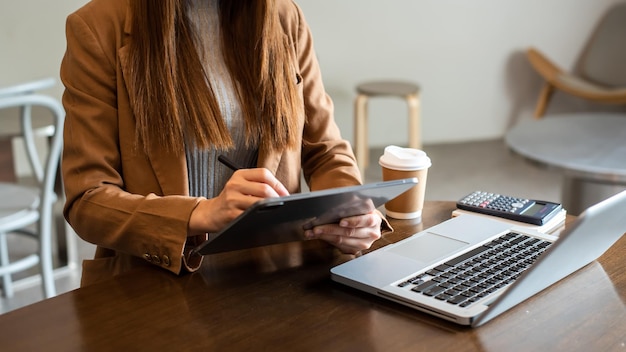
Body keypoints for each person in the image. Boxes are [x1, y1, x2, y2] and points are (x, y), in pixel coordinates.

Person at [61, 0, 389, 286]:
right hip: (155, 279)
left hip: (271, 275)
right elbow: (87, 199)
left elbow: (325, 150)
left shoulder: (285, 16)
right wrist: (199, 213)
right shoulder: (97, 26)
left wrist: (351, 213)